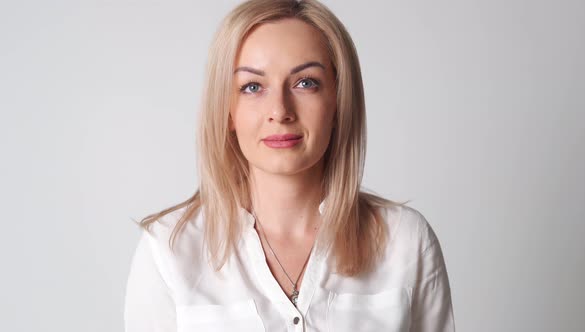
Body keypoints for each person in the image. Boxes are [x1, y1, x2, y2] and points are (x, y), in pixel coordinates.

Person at [124, 0, 455, 331]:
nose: (280, 110)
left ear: (339, 101)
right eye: (253, 87)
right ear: (226, 109)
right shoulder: (169, 251)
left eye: (305, 82)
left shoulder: (405, 242)